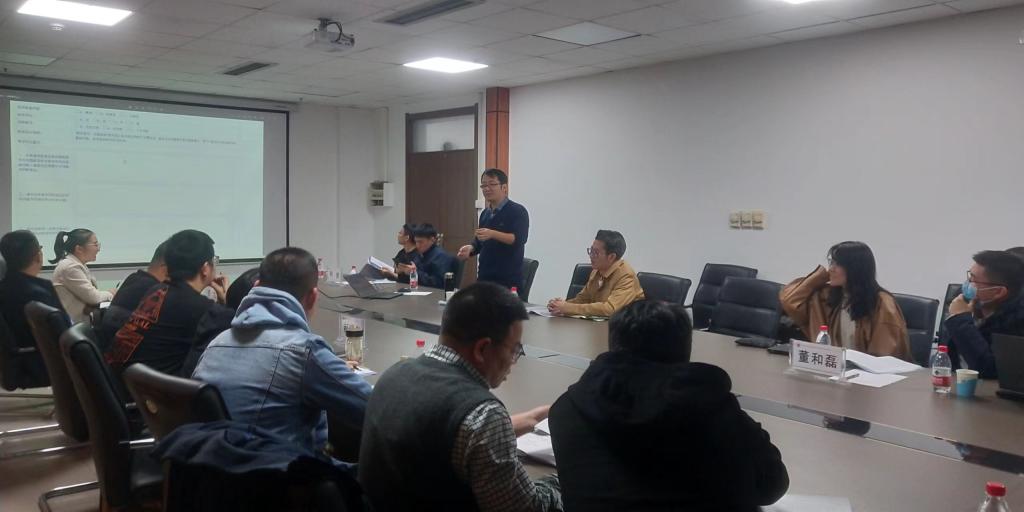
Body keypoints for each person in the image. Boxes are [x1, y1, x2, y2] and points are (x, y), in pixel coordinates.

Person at [549, 300, 789, 511]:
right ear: (686, 350)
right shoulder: (712, 410)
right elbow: (771, 486)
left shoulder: (567, 410)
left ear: (613, 342)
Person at [359, 282, 560, 512]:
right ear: (482, 349)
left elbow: (446, 433)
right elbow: (525, 508)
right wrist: (563, 480)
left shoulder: (395, 374)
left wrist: (535, 417)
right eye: (514, 350)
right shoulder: (483, 416)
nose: (514, 361)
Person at [192, 248, 371, 459]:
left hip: (213, 468)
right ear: (313, 297)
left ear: (256, 287)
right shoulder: (304, 350)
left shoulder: (217, 343)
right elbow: (374, 406)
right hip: (280, 473)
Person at [105, 230, 232, 377]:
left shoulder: (156, 291)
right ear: (205, 268)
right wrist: (226, 300)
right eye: (214, 261)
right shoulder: (205, 310)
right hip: (159, 388)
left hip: (128, 380)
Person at [779, 241, 911, 360]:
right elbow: (789, 300)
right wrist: (820, 276)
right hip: (834, 369)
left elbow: (885, 358)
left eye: (838, 264)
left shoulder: (882, 303)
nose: (831, 269)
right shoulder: (828, 296)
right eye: (831, 263)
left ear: (855, 268)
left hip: (865, 375)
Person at [0, 230, 65, 387]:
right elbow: (63, 335)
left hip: (16, 366)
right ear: (38, 256)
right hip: (42, 366)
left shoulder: (4, 288)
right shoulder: (39, 293)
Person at [944, 250, 1024, 378]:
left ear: (998, 292)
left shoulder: (1017, 321)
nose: (967, 284)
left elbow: (989, 369)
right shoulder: (966, 302)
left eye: (973, 280)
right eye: (969, 277)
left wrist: (960, 320)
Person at [457, 169, 530, 290]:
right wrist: (471, 248)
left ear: (504, 187)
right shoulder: (485, 213)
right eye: (483, 185)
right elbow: (480, 241)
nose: (487, 189)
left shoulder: (517, 211)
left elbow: (519, 239)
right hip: (484, 276)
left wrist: (492, 234)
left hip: (507, 280)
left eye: (492, 184)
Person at [548, 230, 644, 317]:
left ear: (611, 257)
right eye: (591, 251)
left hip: (625, 327)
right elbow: (583, 299)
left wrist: (568, 308)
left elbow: (610, 309)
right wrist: (560, 305)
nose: (591, 256)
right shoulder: (597, 271)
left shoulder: (626, 276)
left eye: (595, 253)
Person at [96, 241, 168, 350]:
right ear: (165, 269)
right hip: (124, 355)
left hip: (110, 351)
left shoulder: (134, 278)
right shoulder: (155, 291)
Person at [50, 229, 115, 323]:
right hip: (73, 326)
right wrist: (111, 293)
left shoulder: (77, 264)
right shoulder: (70, 267)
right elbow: (94, 298)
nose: (98, 249)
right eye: (95, 245)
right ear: (79, 249)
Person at [409, 223, 457, 289]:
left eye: (420, 242)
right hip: (421, 290)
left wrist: (415, 273)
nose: (417, 245)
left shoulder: (441, 257)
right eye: (416, 242)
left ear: (432, 240)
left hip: (437, 293)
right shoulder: (420, 255)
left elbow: (438, 283)